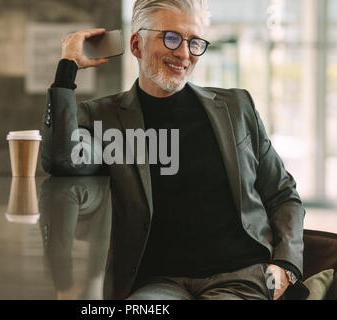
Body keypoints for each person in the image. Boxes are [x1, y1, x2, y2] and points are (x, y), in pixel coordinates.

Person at [41, 0, 309, 300]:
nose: (183, 53)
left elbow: (282, 193)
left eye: (194, 42)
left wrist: (286, 266)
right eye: (171, 37)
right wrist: (67, 71)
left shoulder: (237, 107)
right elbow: (61, 159)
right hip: (158, 284)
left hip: (240, 278)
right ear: (135, 44)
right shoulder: (103, 117)